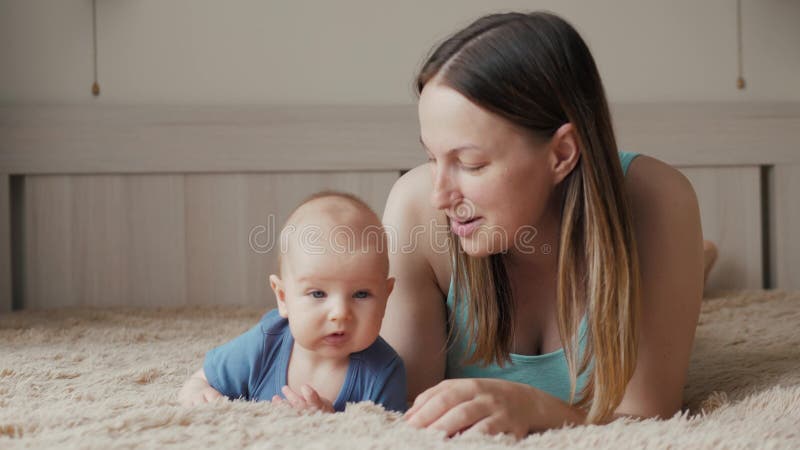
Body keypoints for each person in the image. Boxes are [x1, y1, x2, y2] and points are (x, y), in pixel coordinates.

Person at [379, 11, 712, 438]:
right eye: (431, 157)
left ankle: (697, 262)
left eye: (470, 163)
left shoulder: (660, 202)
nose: (440, 195)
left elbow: (648, 418)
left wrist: (535, 406)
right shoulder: (415, 209)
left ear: (561, 154)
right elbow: (401, 409)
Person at [178, 191, 407, 413]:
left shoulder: (384, 372)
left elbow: (385, 434)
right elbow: (205, 377)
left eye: (361, 294)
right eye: (318, 294)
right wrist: (196, 388)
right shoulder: (266, 342)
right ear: (283, 297)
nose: (340, 313)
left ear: (385, 297)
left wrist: (329, 422)